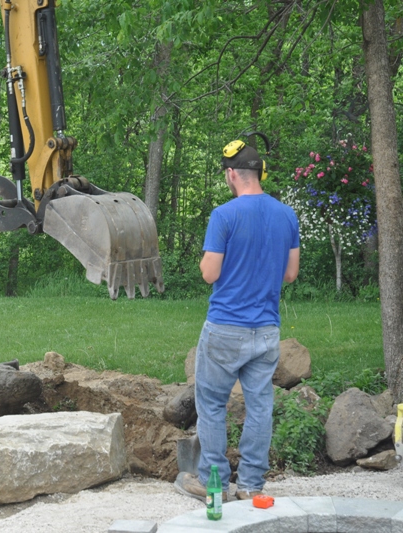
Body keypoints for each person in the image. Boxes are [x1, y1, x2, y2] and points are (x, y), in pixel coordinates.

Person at [174, 141, 300, 503]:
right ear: (259, 173)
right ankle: (250, 486)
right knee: (260, 406)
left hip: (225, 327)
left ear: (232, 174)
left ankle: (213, 483)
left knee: (212, 404)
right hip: (266, 330)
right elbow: (290, 274)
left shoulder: (224, 216)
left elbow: (209, 274)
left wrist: (207, 264)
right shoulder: (286, 215)